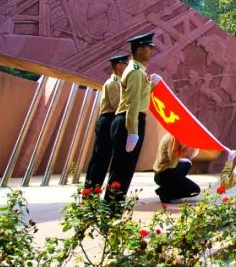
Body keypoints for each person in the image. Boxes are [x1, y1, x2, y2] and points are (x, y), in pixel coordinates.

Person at [105, 32, 156, 200]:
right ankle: (110, 211)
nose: (151, 51)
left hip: (129, 119)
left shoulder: (138, 71)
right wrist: (132, 131)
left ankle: (112, 210)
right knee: (121, 170)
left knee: (124, 170)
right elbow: (132, 103)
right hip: (129, 121)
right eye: (148, 48)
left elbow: (139, 97)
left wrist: (152, 86)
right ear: (139, 50)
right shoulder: (135, 72)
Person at [84, 54, 127, 189]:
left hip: (113, 119)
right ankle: (91, 190)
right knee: (101, 157)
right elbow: (116, 105)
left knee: (106, 157)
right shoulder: (113, 82)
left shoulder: (120, 82)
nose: (126, 66)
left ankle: (95, 189)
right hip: (108, 119)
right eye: (125, 63)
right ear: (118, 65)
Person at [153, 132, 200, 203]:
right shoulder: (173, 139)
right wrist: (184, 148)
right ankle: (165, 193)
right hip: (163, 174)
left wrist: (192, 145)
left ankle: (173, 186)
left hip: (168, 169)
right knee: (195, 190)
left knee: (187, 163)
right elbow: (172, 158)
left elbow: (190, 157)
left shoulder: (175, 135)